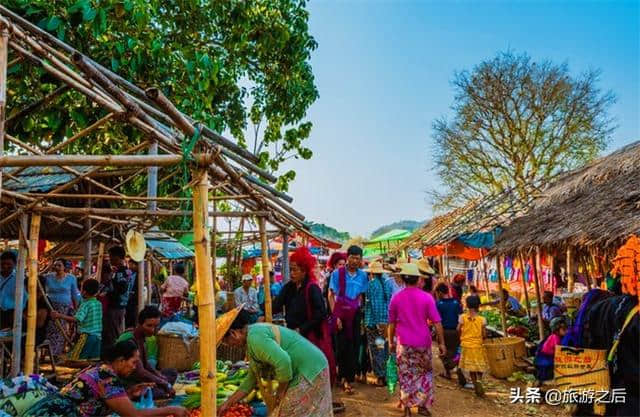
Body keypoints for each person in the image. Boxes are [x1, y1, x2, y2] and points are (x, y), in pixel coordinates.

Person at [24, 340, 188, 416]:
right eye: (133, 362)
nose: (134, 366)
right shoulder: (108, 378)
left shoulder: (100, 369)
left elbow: (99, 402)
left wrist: (128, 394)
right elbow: (133, 415)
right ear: (121, 361)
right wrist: (172, 409)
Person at [218, 314, 333, 417]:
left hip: (310, 368)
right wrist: (228, 403)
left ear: (234, 333)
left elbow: (284, 362)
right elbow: (251, 379)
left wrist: (281, 390)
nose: (230, 346)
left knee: (289, 411)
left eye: (227, 342)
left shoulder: (255, 338)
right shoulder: (252, 337)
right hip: (311, 365)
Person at [273, 247, 336, 385]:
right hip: (292, 334)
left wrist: (301, 329)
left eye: (295, 270)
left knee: (310, 370)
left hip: (309, 335)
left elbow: (321, 314)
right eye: (290, 269)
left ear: (304, 271)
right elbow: (276, 305)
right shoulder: (288, 287)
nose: (292, 273)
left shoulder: (312, 288)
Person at [388, 262, 444, 417]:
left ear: (403, 279)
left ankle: (407, 409)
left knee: (405, 375)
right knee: (425, 373)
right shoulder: (427, 298)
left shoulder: (396, 298)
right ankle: (423, 406)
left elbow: (391, 323)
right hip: (423, 343)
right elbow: (437, 322)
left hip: (404, 344)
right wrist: (442, 343)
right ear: (418, 278)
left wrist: (390, 342)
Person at [328, 245, 368, 394]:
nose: (355, 261)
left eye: (358, 258)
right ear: (347, 257)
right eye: (352, 257)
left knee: (354, 346)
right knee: (342, 346)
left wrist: (361, 317)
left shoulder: (363, 276)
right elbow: (330, 295)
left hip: (355, 315)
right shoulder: (337, 274)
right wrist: (335, 316)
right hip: (340, 313)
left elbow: (361, 297)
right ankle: (343, 378)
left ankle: (348, 378)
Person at [116, 305, 176, 399]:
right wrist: (163, 382)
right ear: (139, 324)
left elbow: (146, 364)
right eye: (149, 325)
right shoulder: (129, 340)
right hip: (127, 381)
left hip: (140, 378)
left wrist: (160, 378)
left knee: (171, 372)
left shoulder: (142, 338)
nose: (153, 329)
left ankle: (162, 387)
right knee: (160, 391)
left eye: (156, 326)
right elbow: (140, 372)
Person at [52, 279, 103, 360]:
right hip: (97, 337)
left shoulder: (85, 304)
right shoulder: (98, 304)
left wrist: (59, 315)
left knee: (76, 359)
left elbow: (77, 319)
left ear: (84, 292)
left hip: (86, 336)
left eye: (81, 289)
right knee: (93, 360)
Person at [363, 261, 393, 386]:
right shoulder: (387, 284)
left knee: (376, 349)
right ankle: (384, 374)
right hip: (385, 321)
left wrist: (377, 323)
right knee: (383, 349)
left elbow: (374, 304)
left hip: (374, 322)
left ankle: (380, 376)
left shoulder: (372, 284)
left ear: (372, 272)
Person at [44, 258, 82, 356]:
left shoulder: (71, 278)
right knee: (50, 329)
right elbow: (37, 278)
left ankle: (56, 353)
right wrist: (47, 267)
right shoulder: (48, 277)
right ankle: (49, 352)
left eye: (59, 265)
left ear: (64, 267)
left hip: (64, 308)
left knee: (60, 329)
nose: (56, 267)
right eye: (55, 265)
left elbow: (75, 293)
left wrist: (77, 307)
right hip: (50, 307)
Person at [101, 246, 133, 352]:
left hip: (115, 306)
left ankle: (114, 356)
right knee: (113, 332)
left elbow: (121, 289)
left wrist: (107, 293)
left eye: (111, 257)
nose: (110, 259)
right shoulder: (127, 271)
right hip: (121, 306)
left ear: (117, 257)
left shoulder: (120, 272)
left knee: (112, 334)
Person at [457, 295, 488, 397]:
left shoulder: (462, 317)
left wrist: (462, 335)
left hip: (466, 345)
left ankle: (475, 384)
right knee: (479, 366)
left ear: (467, 305)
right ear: (478, 306)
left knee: (471, 367)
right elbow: (484, 334)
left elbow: (458, 329)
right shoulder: (482, 319)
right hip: (477, 345)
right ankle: (479, 380)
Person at [435, 283, 462, 380]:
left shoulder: (438, 304)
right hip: (455, 330)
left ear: (440, 292)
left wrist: (438, 334)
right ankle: (458, 367)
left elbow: (437, 321)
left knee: (444, 352)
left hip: (443, 331)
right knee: (455, 350)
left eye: (437, 293)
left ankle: (448, 373)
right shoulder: (456, 303)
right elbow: (460, 318)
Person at [534, 316, 568, 383]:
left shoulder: (558, 336)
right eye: (563, 329)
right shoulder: (555, 338)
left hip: (549, 356)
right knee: (547, 376)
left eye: (566, 328)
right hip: (545, 358)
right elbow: (559, 350)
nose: (566, 331)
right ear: (556, 330)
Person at [0, 250, 26, 329]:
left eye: (8, 264)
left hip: (11, 314)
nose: (5, 266)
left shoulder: (19, 278)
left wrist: (19, 312)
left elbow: (24, 298)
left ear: (14, 264)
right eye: (3, 264)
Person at [125, 259, 140, 328]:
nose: (129, 266)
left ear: (136, 265)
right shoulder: (130, 274)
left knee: (132, 315)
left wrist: (133, 293)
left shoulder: (139, 274)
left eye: (131, 265)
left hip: (134, 299)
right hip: (128, 298)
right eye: (129, 264)